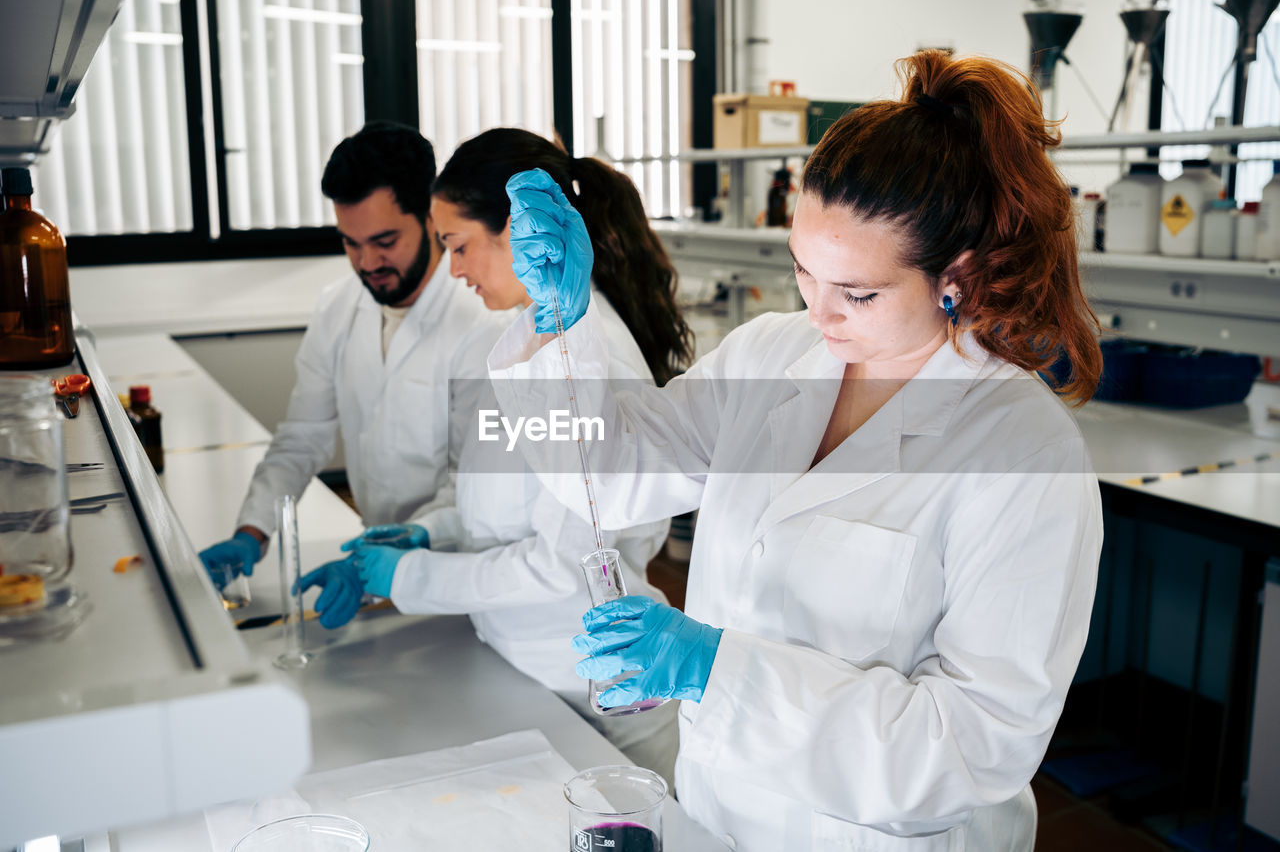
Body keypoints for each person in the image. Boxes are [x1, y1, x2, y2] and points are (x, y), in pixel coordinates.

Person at [489, 52, 1105, 850]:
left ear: (957, 274)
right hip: (716, 813)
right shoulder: (771, 356)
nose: (819, 312)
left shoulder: (1023, 453)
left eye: (858, 292)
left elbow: (972, 747)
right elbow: (615, 472)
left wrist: (717, 670)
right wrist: (562, 325)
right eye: (803, 272)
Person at [314, 127, 694, 787]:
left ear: (519, 230)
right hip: (532, 676)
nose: (453, 268)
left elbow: (558, 567)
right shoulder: (523, 344)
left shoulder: (596, 360)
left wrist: (408, 576)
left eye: (458, 245)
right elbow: (506, 503)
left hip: (608, 704)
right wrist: (430, 531)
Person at [198, 122, 507, 607]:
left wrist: (390, 554)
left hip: (455, 567)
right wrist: (251, 532)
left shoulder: (483, 320)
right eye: (350, 242)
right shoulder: (338, 308)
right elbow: (302, 437)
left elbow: (469, 488)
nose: (366, 262)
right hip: (372, 557)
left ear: (431, 216)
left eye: (385, 241)